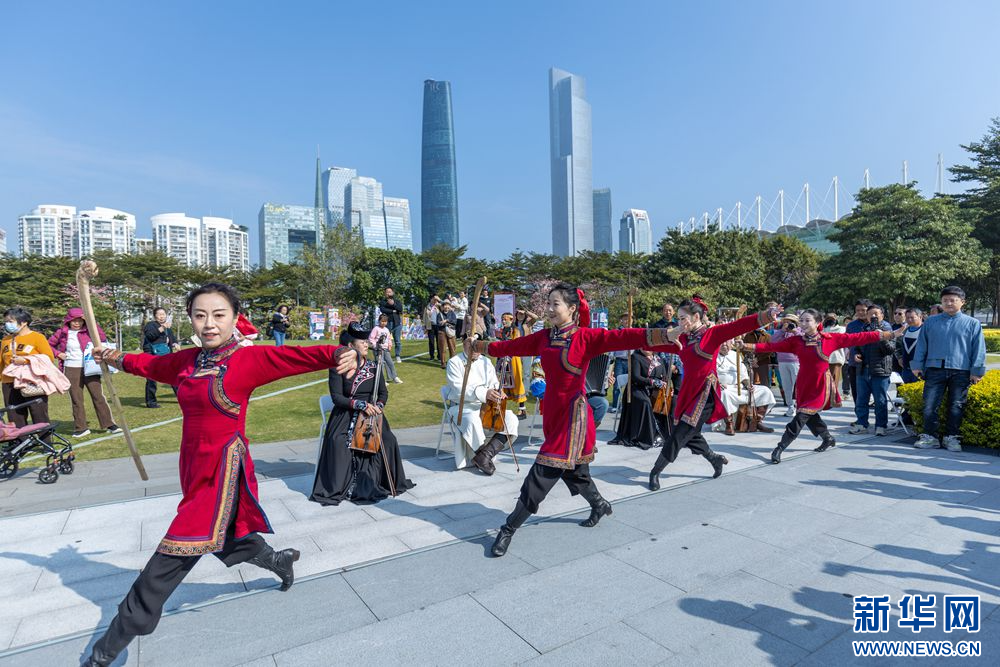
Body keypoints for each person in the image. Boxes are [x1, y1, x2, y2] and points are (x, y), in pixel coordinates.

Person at [83, 282, 357, 667]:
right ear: (190, 319)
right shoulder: (187, 361)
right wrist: (113, 356)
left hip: (222, 469)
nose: (208, 323)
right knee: (224, 535)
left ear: (234, 318)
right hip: (192, 467)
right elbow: (149, 365)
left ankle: (107, 648)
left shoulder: (248, 360)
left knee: (173, 553)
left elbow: (297, 355)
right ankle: (278, 561)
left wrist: (340, 352)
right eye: (200, 315)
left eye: (218, 315)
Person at [469, 283, 675, 557]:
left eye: (555, 304)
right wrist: (479, 345)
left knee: (543, 472)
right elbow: (510, 346)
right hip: (553, 415)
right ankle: (599, 504)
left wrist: (664, 335)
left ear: (572, 308)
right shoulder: (544, 337)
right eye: (548, 303)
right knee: (575, 472)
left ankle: (508, 528)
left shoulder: (585, 337)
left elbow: (623, 336)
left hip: (574, 418)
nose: (549, 309)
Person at [648, 299, 782, 490]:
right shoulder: (683, 338)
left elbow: (738, 326)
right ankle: (714, 458)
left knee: (680, 433)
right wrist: (639, 341)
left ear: (696, 316)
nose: (680, 322)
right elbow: (659, 344)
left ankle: (655, 471)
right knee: (690, 434)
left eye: (683, 318)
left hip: (705, 393)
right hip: (688, 391)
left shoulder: (712, 334)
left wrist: (767, 316)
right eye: (678, 319)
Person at [739, 308, 902, 463]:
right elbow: (771, 346)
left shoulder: (830, 339)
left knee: (801, 416)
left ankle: (780, 447)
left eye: (807, 320)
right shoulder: (796, 341)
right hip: (803, 384)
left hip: (820, 385)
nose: (803, 323)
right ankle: (827, 438)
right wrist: (746, 346)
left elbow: (859, 337)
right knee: (809, 415)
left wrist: (890, 334)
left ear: (818, 322)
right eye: (801, 320)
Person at [310, 323, 414, 505]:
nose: (366, 344)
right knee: (339, 442)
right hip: (346, 413)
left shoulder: (374, 366)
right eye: (362, 342)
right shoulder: (338, 366)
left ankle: (382, 481)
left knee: (388, 440)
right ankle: (345, 485)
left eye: (367, 341)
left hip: (371, 415)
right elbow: (337, 397)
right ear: (351, 346)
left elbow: (383, 393)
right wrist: (360, 405)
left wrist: (378, 406)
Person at [911, 286, 987, 452]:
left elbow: (979, 349)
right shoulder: (930, 322)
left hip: (961, 370)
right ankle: (930, 437)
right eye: (945, 300)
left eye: (953, 300)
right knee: (930, 404)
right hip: (934, 369)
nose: (949, 303)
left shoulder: (972, 323)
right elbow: (922, 344)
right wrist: (917, 365)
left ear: (962, 302)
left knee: (956, 405)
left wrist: (976, 371)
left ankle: (951, 437)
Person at [445, 334, 519, 474]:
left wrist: (498, 391)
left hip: (486, 405)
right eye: (471, 345)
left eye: (477, 345)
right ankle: (481, 454)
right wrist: (484, 393)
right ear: (464, 344)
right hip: (462, 406)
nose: (475, 349)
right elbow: (459, 389)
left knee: (511, 418)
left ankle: (485, 455)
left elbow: (494, 382)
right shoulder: (454, 362)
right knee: (472, 419)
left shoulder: (486, 361)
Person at [47, 307, 117, 437]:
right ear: (68, 320)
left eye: (80, 320)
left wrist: (91, 322)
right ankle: (81, 428)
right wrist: (58, 354)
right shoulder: (62, 332)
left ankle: (109, 424)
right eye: (74, 320)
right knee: (76, 399)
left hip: (90, 367)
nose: (77, 323)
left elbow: (102, 338)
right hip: (71, 368)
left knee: (98, 396)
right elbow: (48, 345)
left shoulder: (88, 330)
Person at [1, 306, 56, 429]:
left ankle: (44, 439)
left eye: (10, 321)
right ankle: (20, 440)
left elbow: (48, 358)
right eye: (6, 321)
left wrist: (26, 360)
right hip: (9, 382)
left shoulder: (37, 337)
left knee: (39, 413)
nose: (7, 324)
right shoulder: (5, 340)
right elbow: (1, 362)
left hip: (32, 381)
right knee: (15, 416)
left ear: (24, 322)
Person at [610, 348, 668, 449]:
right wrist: (652, 382)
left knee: (670, 400)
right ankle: (647, 435)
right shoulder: (636, 357)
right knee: (645, 402)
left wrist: (664, 384)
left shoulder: (659, 359)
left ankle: (664, 433)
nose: (646, 349)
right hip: (636, 388)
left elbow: (664, 376)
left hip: (654, 390)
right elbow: (636, 377)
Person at [850, 305, 894, 436]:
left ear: (882, 316)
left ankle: (881, 426)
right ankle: (862, 424)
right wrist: (856, 354)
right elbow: (857, 347)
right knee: (861, 400)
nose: (873, 316)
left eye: (876, 314)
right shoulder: (864, 329)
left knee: (880, 401)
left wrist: (880, 335)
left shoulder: (887, 328)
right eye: (870, 314)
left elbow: (889, 350)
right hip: (863, 370)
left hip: (880, 371)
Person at [714, 341, 775, 436]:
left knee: (765, 391)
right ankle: (729, 424)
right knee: (725, 394)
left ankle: (757, 422)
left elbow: (743, 374)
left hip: (740, 387)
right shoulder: (713, 356)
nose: (724, 345)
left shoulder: (735, 355)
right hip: (725, 388)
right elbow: (708, 374)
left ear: (731, 344)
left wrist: (748, 385)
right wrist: (717, 383)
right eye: (722, 343)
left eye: (727, 343)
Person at [142, 307, 180, 408]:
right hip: (152, 355)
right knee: (151, 378)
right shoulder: (150, 325)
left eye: (163, 314)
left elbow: (172, 338)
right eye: (159, 314)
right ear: (155, 316)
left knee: (173, 376)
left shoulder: (167, 327)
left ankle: (181, 397)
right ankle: (151, 402)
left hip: (166, 355)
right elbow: (150, 336)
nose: (162, 316)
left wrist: (175, 344)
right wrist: (162, 328)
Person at [497, 312, 529, 417]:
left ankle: (522, 409)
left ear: (511, 320)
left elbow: (516, 345)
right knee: (502, 382)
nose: (503, 321)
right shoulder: (503, 330)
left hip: (513, 359)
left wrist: (508, 357)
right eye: (502, 319)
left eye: (505, 319)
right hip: (503, 358)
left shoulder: (515, 330)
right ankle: (501, 408)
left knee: (517, 381)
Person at [771, 312, 801, 417]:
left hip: (796, 361)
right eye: (785, 322)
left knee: (798, 385)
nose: (787, 324)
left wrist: (794, 331)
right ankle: (790, 407)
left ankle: (799, 406)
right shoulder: (780, 332)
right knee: (786, 386)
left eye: (790, 322)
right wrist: (782, 331)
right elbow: (773, 340)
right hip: (782, 361)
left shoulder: (799, 331)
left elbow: (804, 339)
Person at [845, 299, 873, 401]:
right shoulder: (851, 325)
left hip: (872, 364)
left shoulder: (877, 324)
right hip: (855, 364)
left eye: (863, 310)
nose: (860, 312)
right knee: (856, 392)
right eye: (858, 310)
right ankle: (858, 409)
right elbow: (847, 342)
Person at [369, 314, 402, 384]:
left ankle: (394, 377)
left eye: (385, 321)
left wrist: (389, 345)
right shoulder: (376, 328)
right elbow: (371, 338)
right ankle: (382, 380)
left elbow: (389, 338)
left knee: (390, 363)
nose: (383, 323)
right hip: (378, 350)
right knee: (380, 365)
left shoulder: (386, 329)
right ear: (379, 321)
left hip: (386, 350)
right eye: (382, 321)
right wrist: (375, 346)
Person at [608, 314, 631, 413]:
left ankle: (628, 405)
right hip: (620, 361)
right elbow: (612, 346)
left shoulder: (634, 331)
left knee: (631, 384)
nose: (627, 321)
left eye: (628, 319)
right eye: (625, 319)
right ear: (621, 320)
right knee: (617, 384)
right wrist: (611, 357)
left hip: (631, 360)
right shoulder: (618, 332)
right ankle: (615, 405)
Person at [897, 308, 924, 384]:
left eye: (912, 317)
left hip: (921, 369)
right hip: (906, 369)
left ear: (920, 317)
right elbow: (897, 344)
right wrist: (899, 357)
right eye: (907, 317)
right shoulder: (904, 330)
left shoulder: (926, 330)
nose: (909, 320)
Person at [823, 313, 847, 394]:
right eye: (828, 318)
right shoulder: (822, 330)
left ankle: (833, 398)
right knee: (824, 382)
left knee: (833, 382)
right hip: (824, 359)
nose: (830, 320)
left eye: (832, 318)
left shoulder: (841, 329)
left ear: (836, 319)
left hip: (836, 359)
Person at [379, 288, 405, 364]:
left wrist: (393, 304)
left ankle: (397, 355)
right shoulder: (383, 302)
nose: (388, 293)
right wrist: (393, 310)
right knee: (384, 341)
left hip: (397, 323)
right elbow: (383, 310)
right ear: (385, 293)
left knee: (397, 341)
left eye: (390, 292)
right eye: (387, 292)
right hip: (387, 323)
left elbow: (400, 309)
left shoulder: (397, 301)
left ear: (392, 293)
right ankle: (385, 356)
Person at [436, 300, 458, 368]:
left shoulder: (452, 313)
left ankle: (452, 363)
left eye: (448, 305)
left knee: (452, 348)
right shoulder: (439, 314)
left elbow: (455, 322)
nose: (447, 307)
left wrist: (446, 321)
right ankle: (443, 363)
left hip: (451, 332)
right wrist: (444, 323)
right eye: (445, 305)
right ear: (442, 306)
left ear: (450, 306)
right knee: (442, 348)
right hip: (442, 332)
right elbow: (438, 323)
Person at [423, 296, 440, 361]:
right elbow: (424, 317)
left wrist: (439, 301)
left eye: (435, 299)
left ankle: (439, 356)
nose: (434, 300)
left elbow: (446, 305)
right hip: (430, 326)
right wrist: (425, 326)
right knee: (431, 342)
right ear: (430, 299)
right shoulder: (427, 307)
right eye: (433, 299)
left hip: (438, 326)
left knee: (439, 342)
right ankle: (431, 356)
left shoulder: (439, 306)